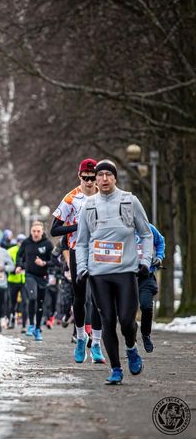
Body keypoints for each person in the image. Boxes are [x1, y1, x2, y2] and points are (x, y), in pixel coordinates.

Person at [76, 159, 153, 385]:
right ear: (95, 179)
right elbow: (81, 242)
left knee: (127, 320)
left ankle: (131, 347)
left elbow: (146, 234)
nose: (104, 179)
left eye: (108, 174)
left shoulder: (130, 201)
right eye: (100, 175)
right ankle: (116, 369)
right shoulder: (89, 205)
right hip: (99, 273)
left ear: (115, 177)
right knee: (108, 319)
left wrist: (146, 261)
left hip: (126, 271)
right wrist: (82, 268)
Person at [51, 158, 104, 363]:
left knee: (99, 300)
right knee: (80, 298)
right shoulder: (71, 198)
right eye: (86, 178)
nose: (90, 182)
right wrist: (76, 227)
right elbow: (54, 229)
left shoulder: (106, 196)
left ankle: (97, 345)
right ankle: (81, 338)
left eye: (93, 178)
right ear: (79, 176)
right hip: (77, 250)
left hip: (100, 251)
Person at [16, 221, 53, 341]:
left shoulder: (47, 244)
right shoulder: (26, 242)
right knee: (32, 298)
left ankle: (37, 328)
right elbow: (19, 255)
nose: (36, 234)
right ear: (31, 231)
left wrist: (44, 263)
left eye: (38, 231)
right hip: (30, 274)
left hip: (42, 276)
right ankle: (31, 325)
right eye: (34, 231)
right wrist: (19, 265)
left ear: (42, 232)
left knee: (40, 303)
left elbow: (54, 261)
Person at [136, 223, 165, 352]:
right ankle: (131, 342)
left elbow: (160, 242)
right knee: (127, 313)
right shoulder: (121, 228)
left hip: (146, 276)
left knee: (146, 306)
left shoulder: (149, 228)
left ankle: (145, 334)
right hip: (127, 276)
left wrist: (159, 257)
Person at [6, 235, 26, 330]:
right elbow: (6, 264)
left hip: (24, 280)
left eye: (23, 241)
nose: (21, 243)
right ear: (17, 242)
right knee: (12, 302)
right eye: (19, 241)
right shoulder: (10, 251)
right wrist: (14, 270)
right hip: (13, 280)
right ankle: (11, 320)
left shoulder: (28, 250)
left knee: (25, 301)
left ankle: (24, 325)